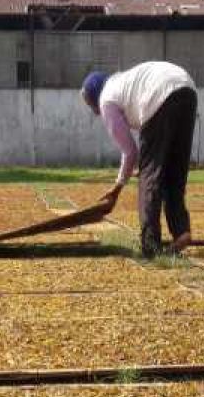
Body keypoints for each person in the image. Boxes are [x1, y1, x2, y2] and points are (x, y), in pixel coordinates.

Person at [82, 61, 197, 258]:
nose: (93, 110)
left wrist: (118, 187)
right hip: (187, 89)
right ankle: (181, 231)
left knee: (149, 178)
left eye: (89, 103)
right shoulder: (122, 83)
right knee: (174, 172)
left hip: (159, 95)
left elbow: (130, 152)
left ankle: (150, 245)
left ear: (94, 97)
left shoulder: (106, 100)